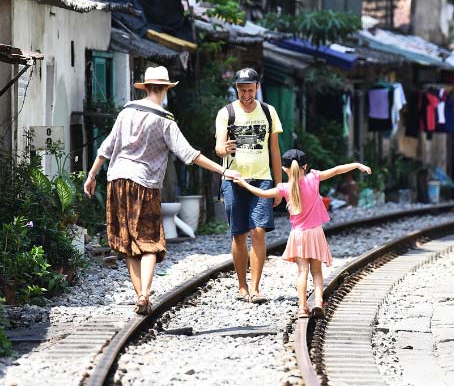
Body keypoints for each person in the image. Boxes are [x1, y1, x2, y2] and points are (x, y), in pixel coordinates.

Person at [83, 66, 239, 315]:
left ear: (145, 88)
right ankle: (144, 294)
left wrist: (91, 175)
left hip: (117, 181)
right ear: (166, 89)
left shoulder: (126, 111)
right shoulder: (165, 120)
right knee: (149, 242)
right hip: (144, 185)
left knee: (127, 245)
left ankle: (140, 297)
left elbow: (107, 146)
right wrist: (223, 171)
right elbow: (190, 154)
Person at [234, 149, 371, 318]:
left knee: (302, 272)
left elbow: (261, 193)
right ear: (305, 166)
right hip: (316, 234)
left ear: (285, 169)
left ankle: (302, 307)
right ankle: (319, 302)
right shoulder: (314, 177)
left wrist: (243, 183)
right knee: (317, 272)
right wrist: (357, 165)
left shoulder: (284, 188)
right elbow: (336, 170)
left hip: (298, 236)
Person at [214, 68, 283, 303]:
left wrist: (279, 184)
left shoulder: (268, 112)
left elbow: (274, 149)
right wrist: (225, 149)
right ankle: (242, 286)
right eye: (242, 90)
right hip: (233, 180)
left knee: (259, 231)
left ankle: (255, 287)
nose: (246, 94)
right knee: (239, 235)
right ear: (236, 88)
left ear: (257, 88)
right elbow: (218, 147)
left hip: (262, 179)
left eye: (250, 90)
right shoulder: (226, 113)